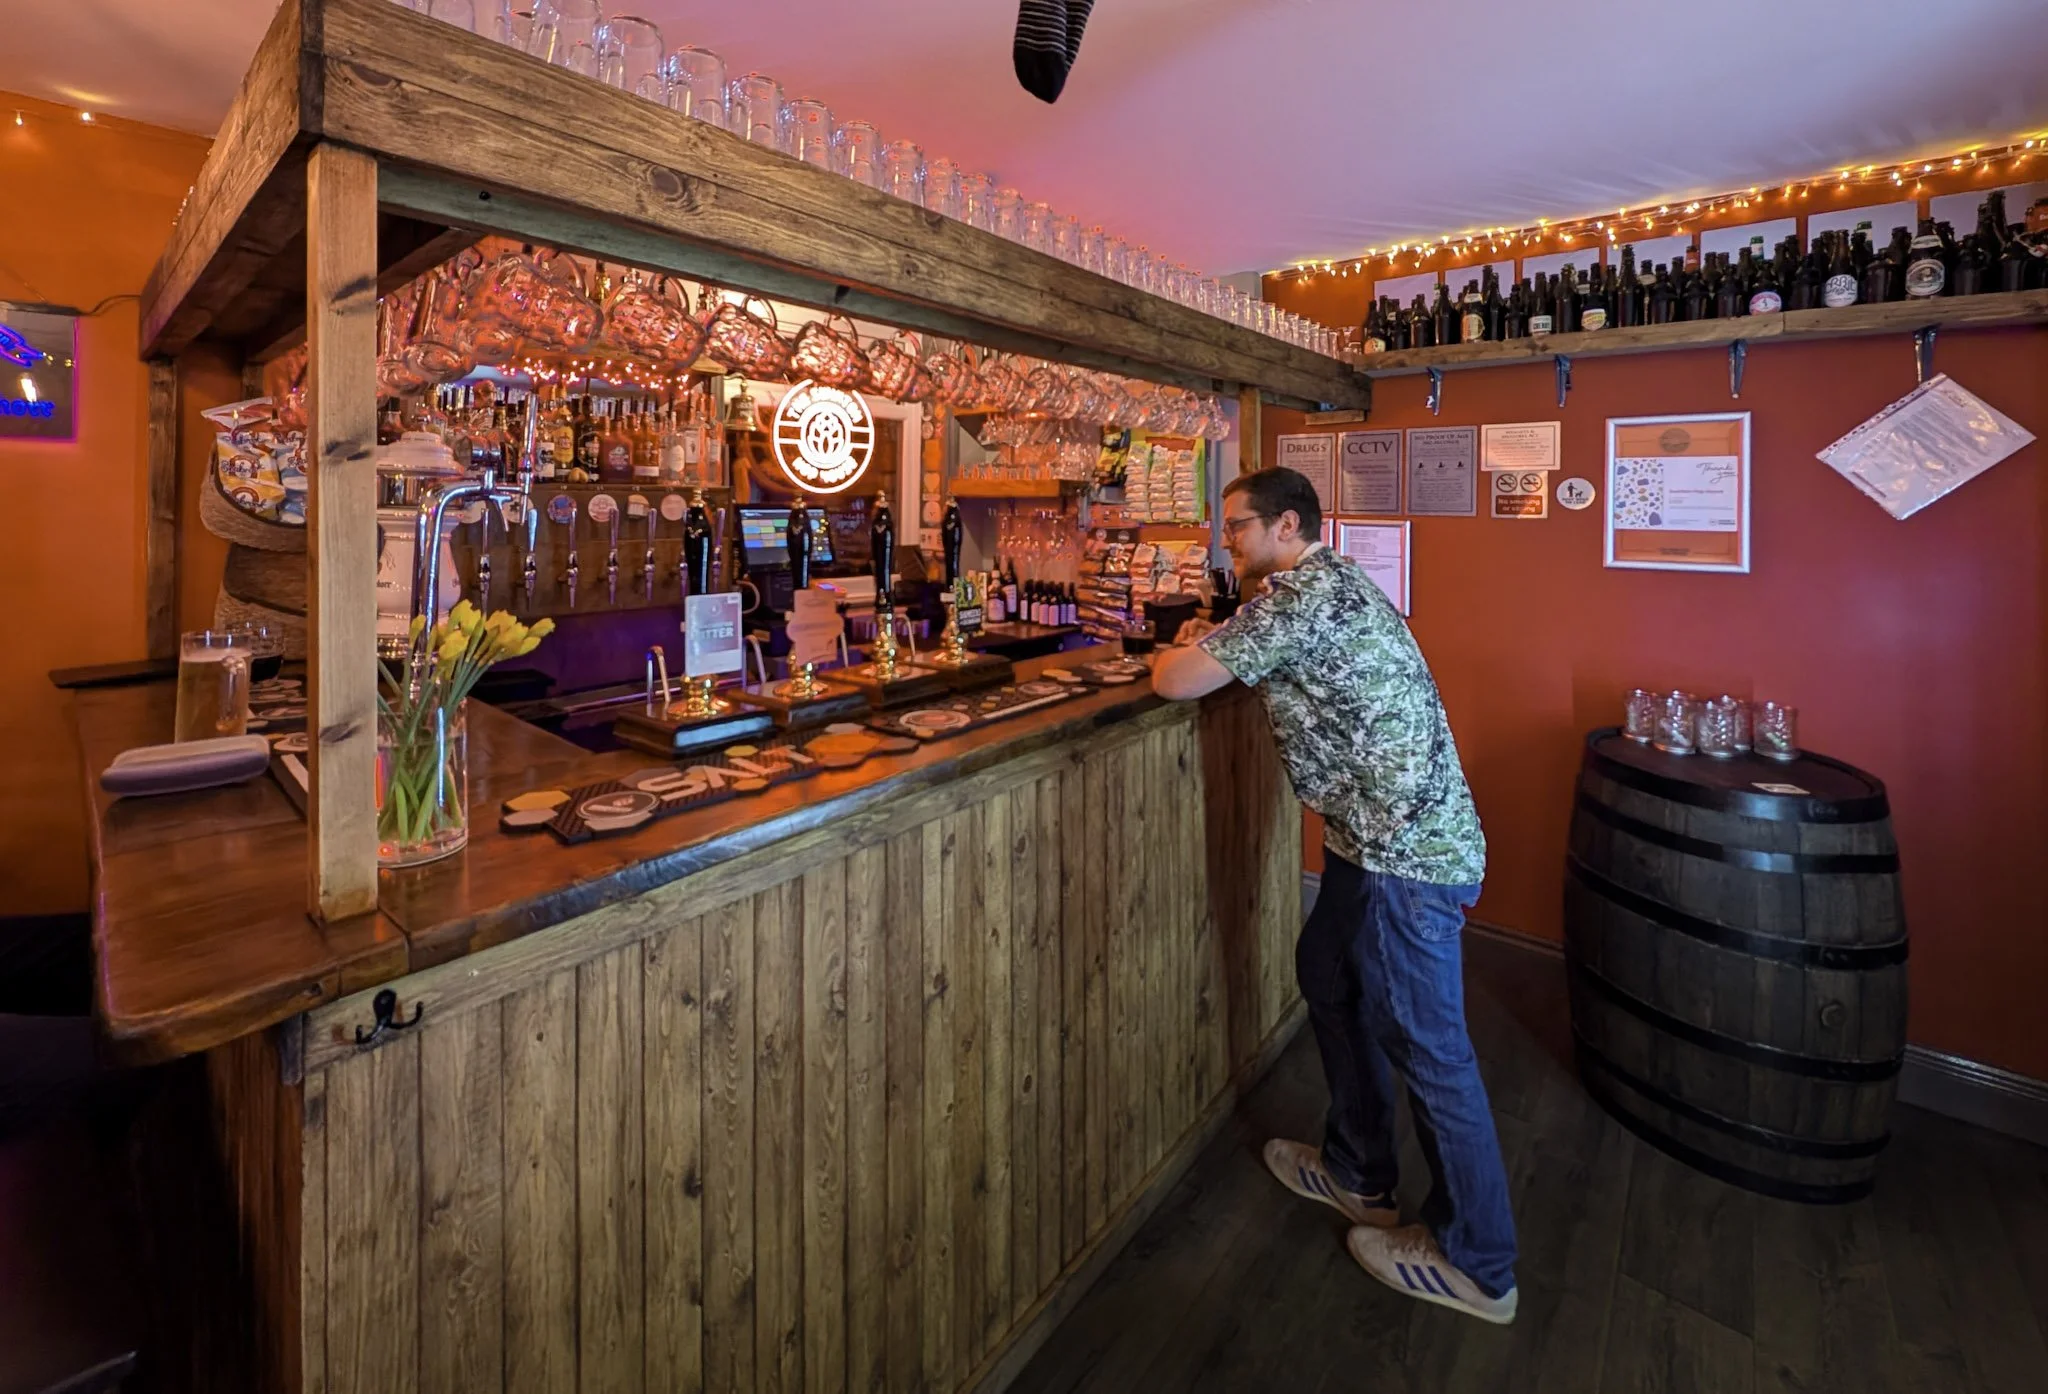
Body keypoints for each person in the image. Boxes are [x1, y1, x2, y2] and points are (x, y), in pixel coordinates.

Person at [1149, 466, 1518, 1324]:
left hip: (1408, 853)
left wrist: (1171, 651)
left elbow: (1176, 681)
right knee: (1329, 974)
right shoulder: (1328, 578)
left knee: (1431, 1047)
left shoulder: (1296, 599)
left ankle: (1482, 1264)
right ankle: (1360, 1173)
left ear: (1284, 525)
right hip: (1370, 838)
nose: (1226, 540)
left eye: (1236, 526)